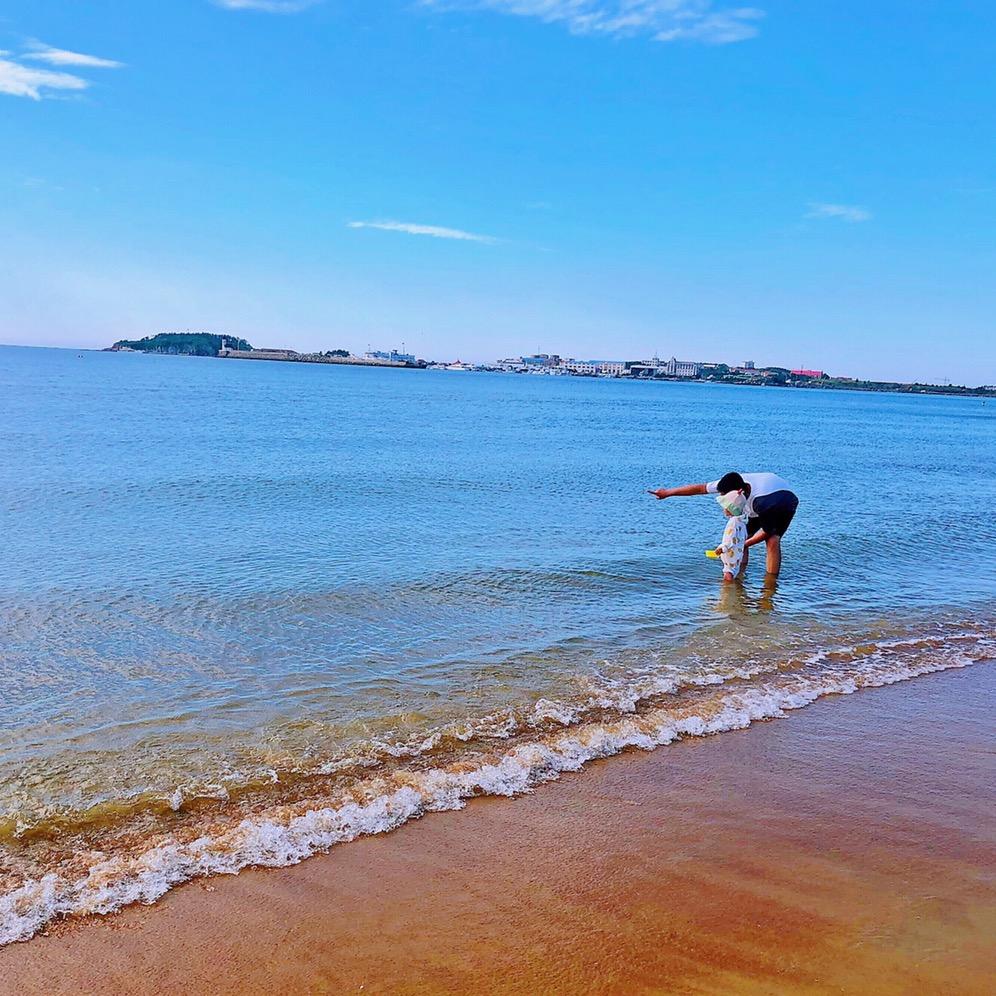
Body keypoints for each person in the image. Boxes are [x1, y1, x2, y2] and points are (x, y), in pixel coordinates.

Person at [648, 471, 799, 578]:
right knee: (742, 535)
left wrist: (741, 544)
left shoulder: (764, 501)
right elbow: (699, 488)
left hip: (782, 500)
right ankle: (739, 573)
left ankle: (770, 585)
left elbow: (766, 531)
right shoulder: (728, 483)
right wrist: (667, 493)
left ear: (739, 491)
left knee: (772, 540)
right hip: (757, 501)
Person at [714, 491, 749, 582]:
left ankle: (728, 592)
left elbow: (729, 539)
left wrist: (722, 548)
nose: (723, 509)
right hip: (738, 554)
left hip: (730, 553)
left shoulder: (732, 522)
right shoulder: (742, 521)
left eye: (725, 507)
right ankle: (734, 590)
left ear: (730, 509)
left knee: (728, 574)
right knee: (733, 571)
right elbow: (744, 536)